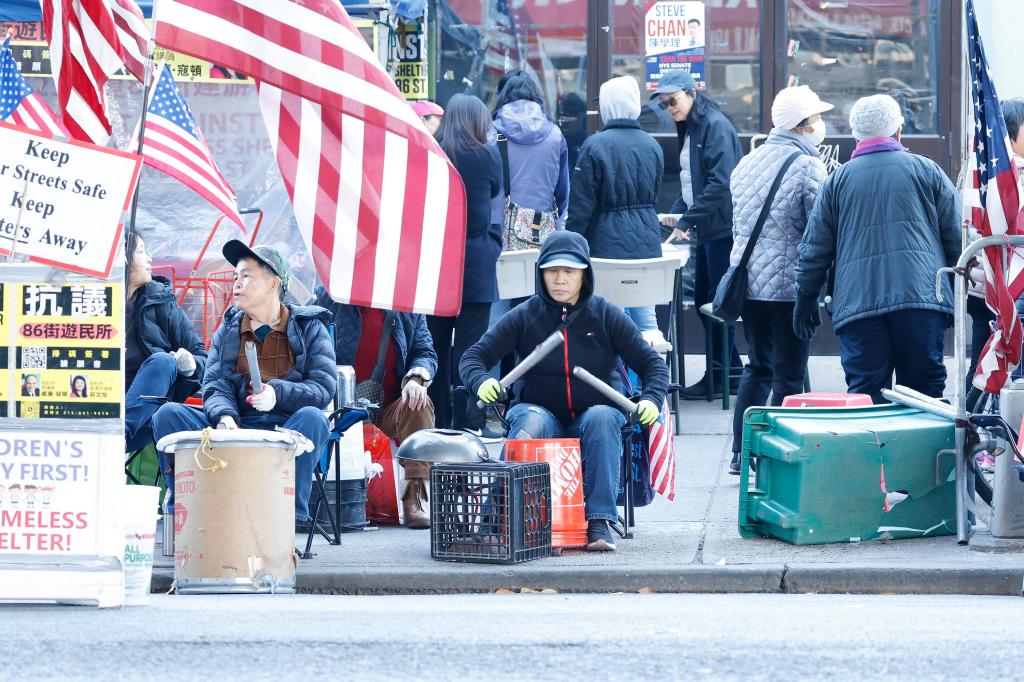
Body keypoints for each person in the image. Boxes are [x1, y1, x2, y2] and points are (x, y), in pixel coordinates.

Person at [460, 230, 670, 552]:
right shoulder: (525, 315)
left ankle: (599, 523)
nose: (559, 279)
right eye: (552, 271)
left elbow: (653, 366)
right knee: (531, 421)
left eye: (569, 271)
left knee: (603, 418)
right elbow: (474, 357)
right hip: (538, 410)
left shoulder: (606, 314)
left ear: (584, 274)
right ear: (540, 272)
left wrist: (652, 399)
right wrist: (481, 381)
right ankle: (495, 520)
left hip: (594, 414)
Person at [152, 241, 336, 526]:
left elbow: (323, 388)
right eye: (236, 276)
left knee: (314, 418)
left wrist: (278, 394)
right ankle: (188, 511)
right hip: (234, 429)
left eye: (246, 276)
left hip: (285, 428)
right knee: (168, 414)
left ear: (273, 283)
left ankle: (286, 518)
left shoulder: (310, 328)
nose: (236, 284)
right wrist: (225, 416)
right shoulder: (228, 329)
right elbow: (214, 383)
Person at [794, 94, 960, 403]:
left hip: (858, 306)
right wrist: (954, 292)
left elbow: (814, 250)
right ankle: (923, 453)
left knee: (866, 396)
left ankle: (874, 452)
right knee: (925, 394)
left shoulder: (836, 181)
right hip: (921, 301)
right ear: (899, 131)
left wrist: (805, 301)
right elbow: (957, 239)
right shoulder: (928, 171)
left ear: (856, 135)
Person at [726, 86, 831, 474]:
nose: (820, 126)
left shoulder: (747, 162)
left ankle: (742, 451)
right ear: (802, 125)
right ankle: (782, 457)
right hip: (790, 287)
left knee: (757, 367)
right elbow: (820, 229)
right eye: (816, 119)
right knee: (789, 373)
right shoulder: (807, 166)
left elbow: (739, 224)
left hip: (750, 285)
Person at [314, 286, 437, 529]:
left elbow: (425, 352)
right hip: (340, 407)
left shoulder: (408, 300)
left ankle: (415, 497)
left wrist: (416, 379)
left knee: (419, 402)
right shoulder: (332, 293)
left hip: (388, 407)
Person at [656, 70, 743, 399]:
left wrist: (686, 218)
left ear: (692, 93)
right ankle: (728, 371)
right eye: (664, 104)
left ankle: (722, 374)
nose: (669, 108)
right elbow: (695, 181)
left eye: (673, 100)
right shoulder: (695, 125)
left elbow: (722, 183)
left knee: (714, 305)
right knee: (710, 304)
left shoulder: (713, 126)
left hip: (721, 229)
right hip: (711, 226)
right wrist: (681, 211)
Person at [566, 75, 669, 349]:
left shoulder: (594, 145)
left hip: (604, 245)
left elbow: (581, 206)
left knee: (607, 321)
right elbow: (655, 194)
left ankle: (615, 386)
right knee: (647, 323)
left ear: (609, 106)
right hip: (647, 242)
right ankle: (650, 386)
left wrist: (570, 244)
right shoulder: (653, 145)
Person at [426, 93, 503, 439]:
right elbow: (498, 191)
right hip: (477, 263)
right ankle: (467, 420)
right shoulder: (487, 155)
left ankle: (435, 417)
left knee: (434, 345)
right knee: (472, 348)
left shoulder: (430, 151)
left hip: (437, 262)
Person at [125, 236, 208, 452]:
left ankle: (118, 435)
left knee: (163, 361)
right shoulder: (86, 300)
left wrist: (191, 364)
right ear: (121, 258)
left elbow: (203, 356)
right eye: (141, 251)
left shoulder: (160, 300)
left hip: (144, 419)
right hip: (92, 410)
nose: (150, 258)